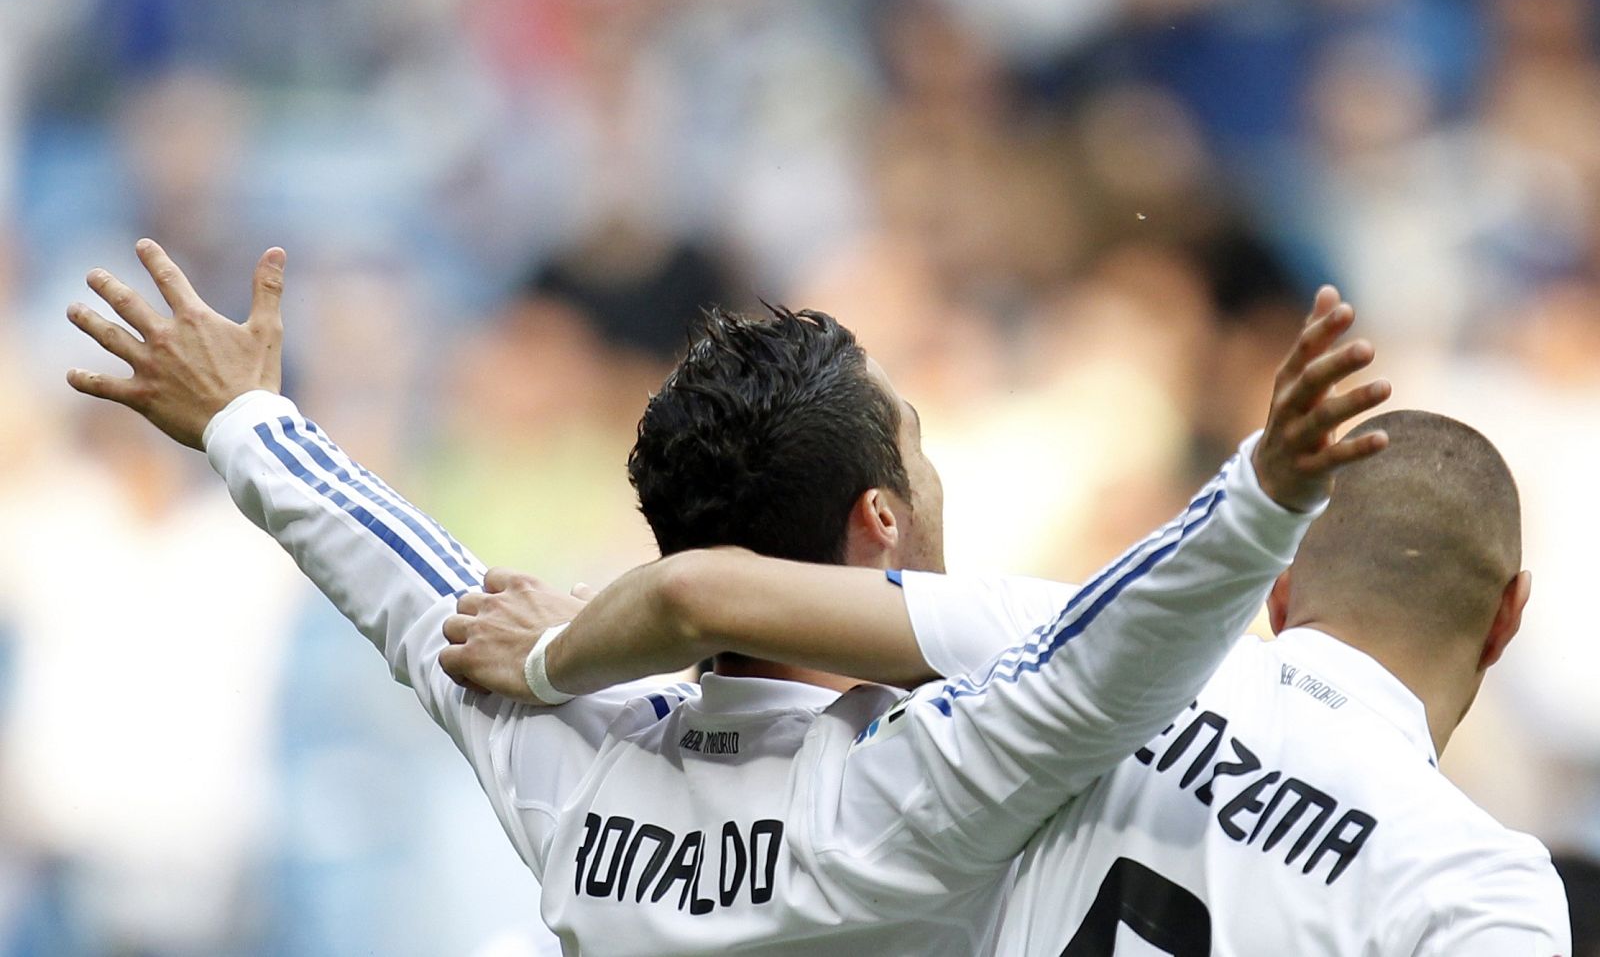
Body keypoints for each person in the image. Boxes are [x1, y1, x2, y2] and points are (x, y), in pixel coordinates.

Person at [66, 239, 1388, 954]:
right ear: (881, 520)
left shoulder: (572, 759)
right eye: (917, 449)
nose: (935, 476)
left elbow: (401, 573)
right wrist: (1267, 485)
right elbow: (1121, 645)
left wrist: (245, 419)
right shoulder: (913, 789)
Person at [455, 418, 1573, 952]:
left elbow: (708, 593)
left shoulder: (1077, 645)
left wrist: (564, 644)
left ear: (1276, 594)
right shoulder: (1485, 880)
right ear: (1507, 616)